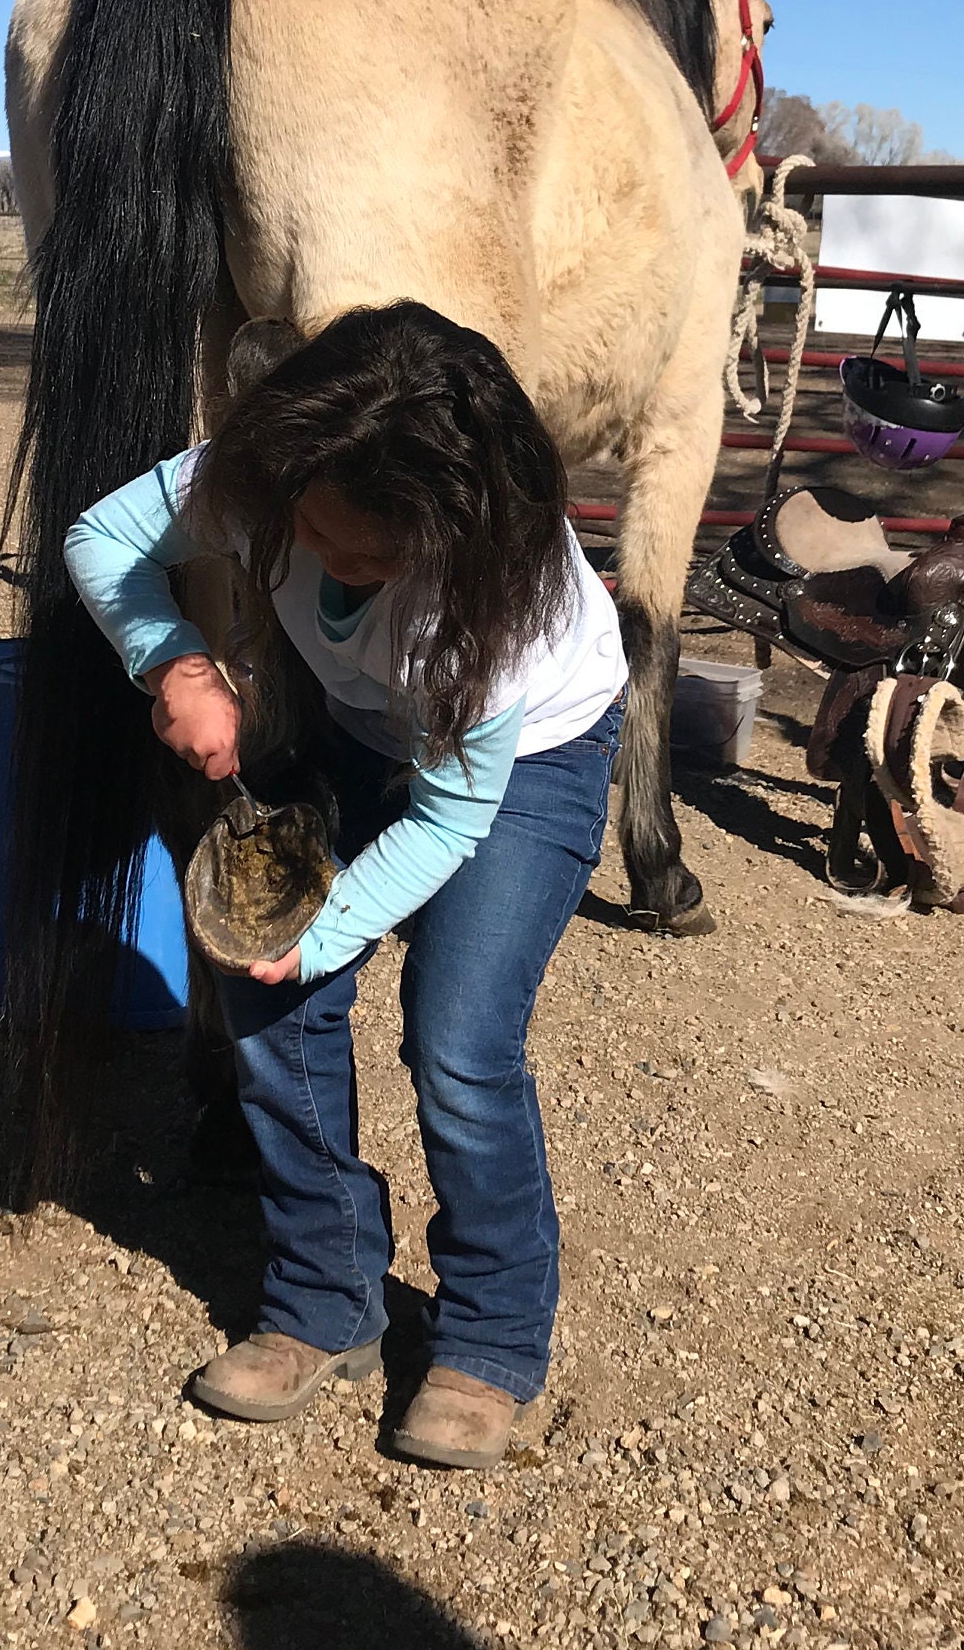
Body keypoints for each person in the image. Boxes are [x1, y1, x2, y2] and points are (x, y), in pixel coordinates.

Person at [63, 300, 625, 1469]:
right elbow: (102, 542)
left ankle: (490, 1338)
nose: (339, 567)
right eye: (323, 533)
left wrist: (327, 931)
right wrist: (173, 660)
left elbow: (448, 815)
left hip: (523, 761)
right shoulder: (270, 466)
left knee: (461, 1041)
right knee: (264, 991)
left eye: (375, 558)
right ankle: (324, 1295)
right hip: (364, 726)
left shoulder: (497, 597)